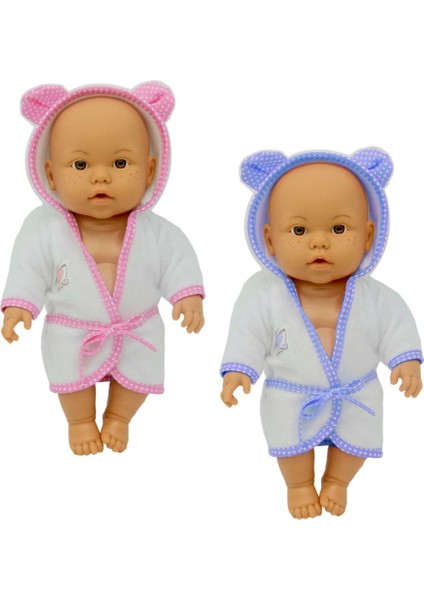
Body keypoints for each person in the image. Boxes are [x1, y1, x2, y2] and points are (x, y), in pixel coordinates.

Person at [2, 82, 205, 456]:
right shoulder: (44, 229)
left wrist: (187, 294)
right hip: (73, 330)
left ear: (150, 170)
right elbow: (27, 266)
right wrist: (19, 304)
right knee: (72, 377)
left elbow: (179, 260)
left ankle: (119, 417)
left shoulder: (157, 231)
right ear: (51, 174)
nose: (101, 177)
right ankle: (80, 421)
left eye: (120, 163)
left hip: (138, 328)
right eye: (80, 165)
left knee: (139, 375)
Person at [220, 148, 422, 518]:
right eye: (299, 230)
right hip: (291, 393)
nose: (319, 242)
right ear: (269, 240)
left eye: (339, 229)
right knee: (290, 441)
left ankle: (337, 480)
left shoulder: (375, 296)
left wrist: (405, 360)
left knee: (358, 438)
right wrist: (239, 368)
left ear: (368, 236)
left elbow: (397, 325)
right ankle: (298, 485)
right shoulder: (263, 293)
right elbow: (247, 331)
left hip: (357, 391)